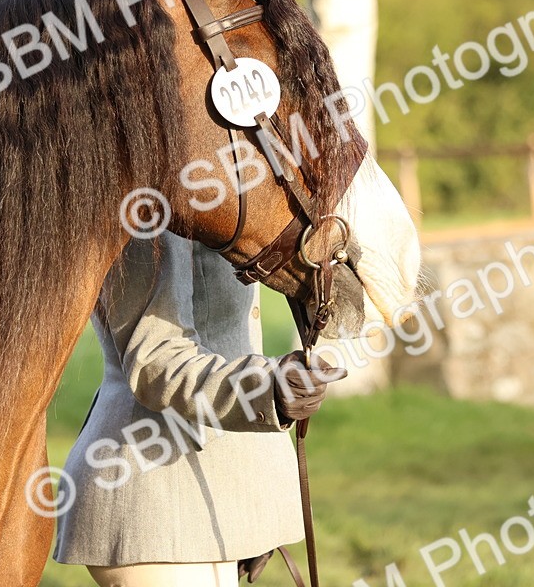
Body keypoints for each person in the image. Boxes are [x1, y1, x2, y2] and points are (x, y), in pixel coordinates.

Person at [54, 233, 346, 586]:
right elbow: (157, 360)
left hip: (212, 489)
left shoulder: (226, 198)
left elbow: (229, 337)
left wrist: (249, 500)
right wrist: (269, 390)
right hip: (154, 497)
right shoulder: (149, 212)